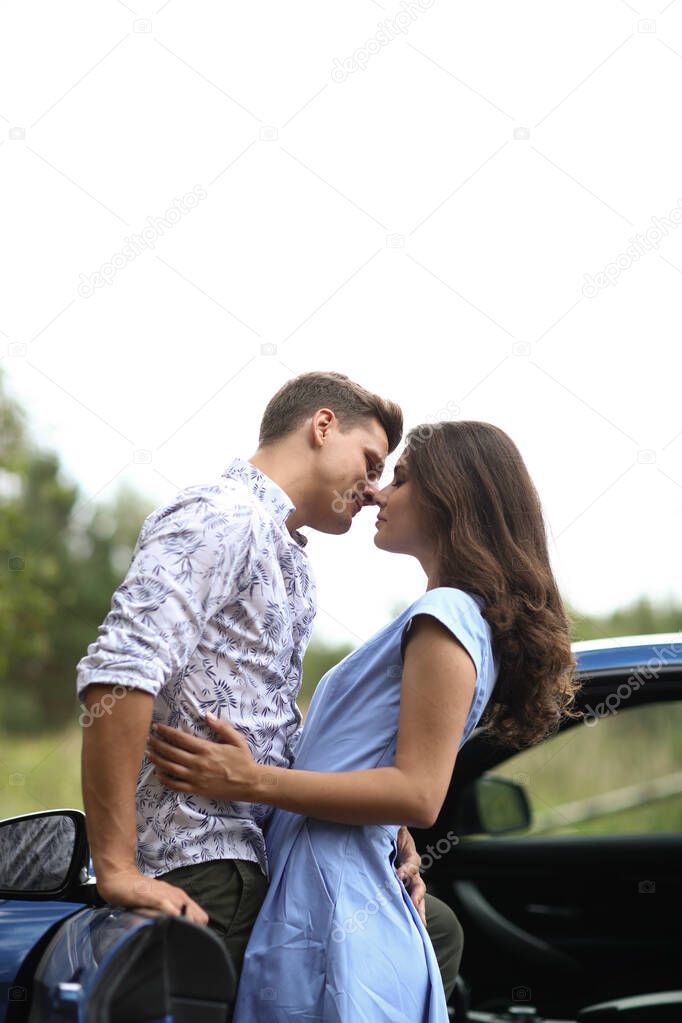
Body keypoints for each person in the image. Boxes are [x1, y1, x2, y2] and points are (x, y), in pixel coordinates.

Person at [149, 419, 580, 1022]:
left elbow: (417, 793)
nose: (377, 492)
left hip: (333, 900)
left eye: (399, 478)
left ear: (449, 498)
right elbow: (380, 769)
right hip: (325, 884)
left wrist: (250, 781)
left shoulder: (446, 614)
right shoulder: (449, 616)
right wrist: (388, 830)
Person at [76, 371, 463, 1003]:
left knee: (432, 930)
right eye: (370, 462)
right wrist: (117, 868)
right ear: (322, 426)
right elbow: (119, 672)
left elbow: (272, 727)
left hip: (267, 859)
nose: (372, 490)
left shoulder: (287, 556)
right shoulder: (221, 515)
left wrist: (384, 830)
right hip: (206, 868)